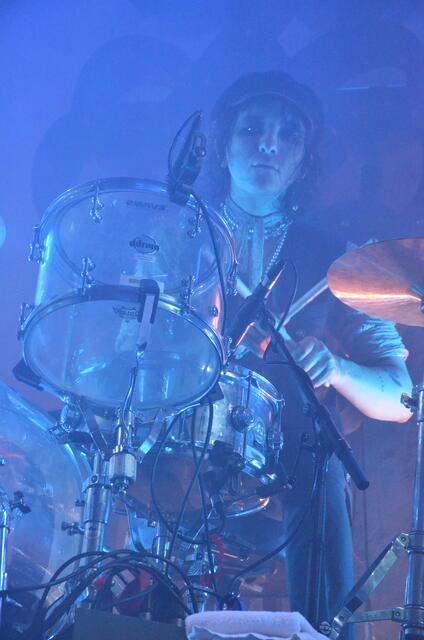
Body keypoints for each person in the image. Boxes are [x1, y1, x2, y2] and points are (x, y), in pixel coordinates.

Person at [204, 71, 412, 627]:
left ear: (303, 162)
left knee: (318, 463)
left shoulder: (336, 259)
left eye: (288, 136)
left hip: (296, 470)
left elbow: (400, 397)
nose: (269, 145)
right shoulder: (184, 238)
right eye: (252, 129)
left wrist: (338, 368)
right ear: (222, 146)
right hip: (190, 456)